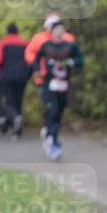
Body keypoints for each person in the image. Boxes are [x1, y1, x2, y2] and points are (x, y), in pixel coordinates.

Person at [30, 22, 83, 161]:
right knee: (51, 110)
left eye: (62, 30)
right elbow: (35, 59)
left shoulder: (69, 46)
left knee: (59, 112)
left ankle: (51, 133)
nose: (59, 32)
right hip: (49, 84)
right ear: (51, 32)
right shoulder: (46, 46)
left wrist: (72, 62)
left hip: (64, 84)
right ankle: (52, 141)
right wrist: (37, 70)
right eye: (57, 30)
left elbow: (81, 60)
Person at [25, 13, 74, 139]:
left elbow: (73, 55)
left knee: (60, 105)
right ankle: (49, 128)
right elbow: (30, 54)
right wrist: (36, 67)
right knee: (48, 103)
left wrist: (70, 63)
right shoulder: (39, 38)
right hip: (44, 77)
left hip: (62, 78)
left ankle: (52, 128)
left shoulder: (68, 38)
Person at [0, 23, 30, 138]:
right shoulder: (25, 42)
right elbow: (29, 59)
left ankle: (15, 118)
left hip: (7, 75)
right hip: (23, 75)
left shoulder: (3, 42)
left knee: (9, 100)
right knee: (18, 100)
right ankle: (17, 131)